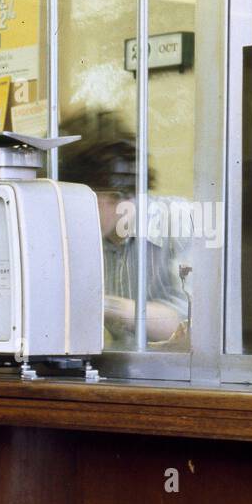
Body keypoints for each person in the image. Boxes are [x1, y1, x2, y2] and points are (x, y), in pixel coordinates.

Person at [57, 110, 190, 350]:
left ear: (114, 192)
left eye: (79, 201)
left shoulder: (180, 220)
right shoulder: (93, 237)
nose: (71, 215)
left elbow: (189, 326)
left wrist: (105, 306)